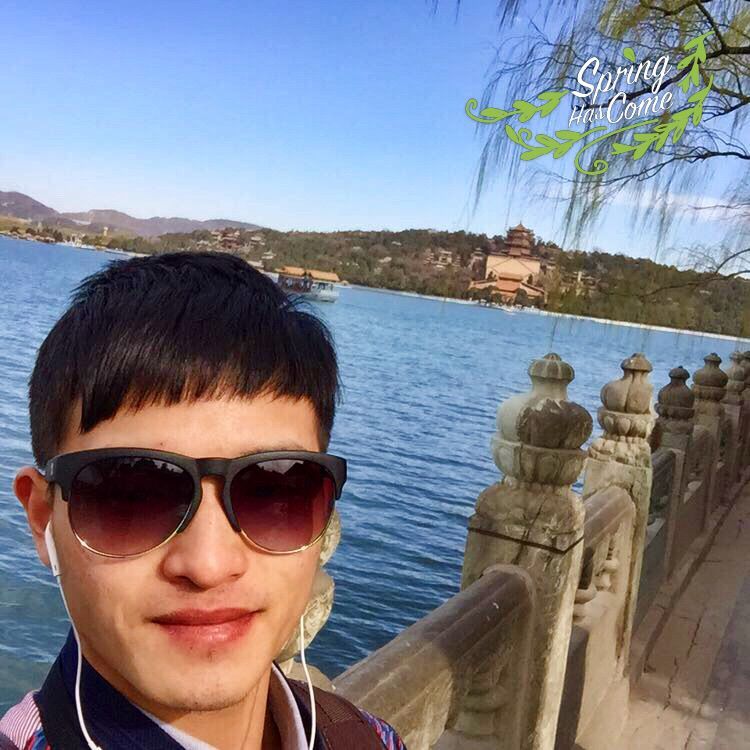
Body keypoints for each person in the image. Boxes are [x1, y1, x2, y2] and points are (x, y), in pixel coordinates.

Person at [1, 251, 407, 750]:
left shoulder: (368, 738)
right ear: (43, 519)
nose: (209, 565)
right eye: (131, 496)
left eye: (273, 490)